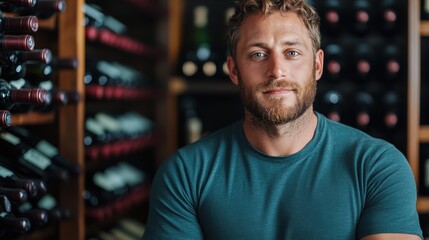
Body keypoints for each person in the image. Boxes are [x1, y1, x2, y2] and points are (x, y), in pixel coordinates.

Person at [142, 0, 423, 239]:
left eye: (292, 53)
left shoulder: (377, 167)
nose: (277, 71)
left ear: (317, 65)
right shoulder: (185, 174)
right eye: (258, 54)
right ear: (234, 70)